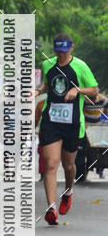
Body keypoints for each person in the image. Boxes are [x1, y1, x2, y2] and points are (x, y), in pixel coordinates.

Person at [35, 34, 98, 225]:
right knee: (50, 164)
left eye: (64, 51)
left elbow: (94, 91)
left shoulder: (80, 66)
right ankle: (51, 208)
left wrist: (77, 90)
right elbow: (48, 84)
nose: (61, 55)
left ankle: (68, 191)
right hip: (51, 121)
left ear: (71, 48)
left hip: (72, 123)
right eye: (58, 52)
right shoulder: (48, 65)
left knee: (68, 165)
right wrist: (37, 91)